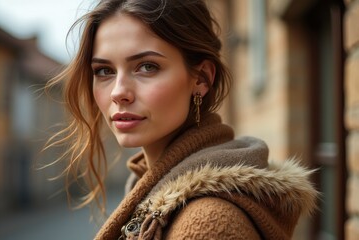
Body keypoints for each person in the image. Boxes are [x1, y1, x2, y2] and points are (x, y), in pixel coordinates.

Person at [47, 0, 319, 239]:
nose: (118, 92)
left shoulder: (208, 224)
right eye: (104, 70)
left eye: (147, 66)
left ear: (200, 79)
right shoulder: (150, 189)